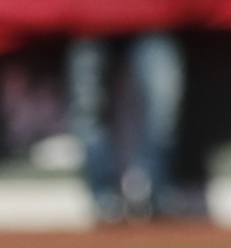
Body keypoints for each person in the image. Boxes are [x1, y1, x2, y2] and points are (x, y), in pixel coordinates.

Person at [71, 29, 188, 222]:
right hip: (90, 19)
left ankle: (160, 198)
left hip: (151, 20)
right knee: (88, 109)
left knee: (162, 111)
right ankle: (105, 202)